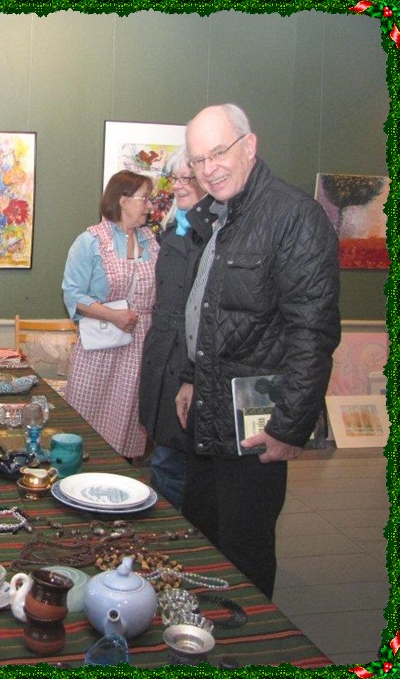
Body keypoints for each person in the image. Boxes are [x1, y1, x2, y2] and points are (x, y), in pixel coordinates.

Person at [174, 104, 340, 599]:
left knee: (243, 554)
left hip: (255, 425)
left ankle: (248, 638)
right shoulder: (219, 216)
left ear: (249, 146)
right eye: (198, 160)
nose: (208, 169)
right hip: (207, 412)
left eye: (218, 152)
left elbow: (313, 331)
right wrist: (189, 376)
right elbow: (207, 309)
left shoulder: (294, 217)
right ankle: (197, 629)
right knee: (201, 538)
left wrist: (290, 426)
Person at [137, 148, 216, 510]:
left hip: (190, 357)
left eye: (188, 178)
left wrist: (192, 373)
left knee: (174, 460)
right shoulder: (170, 232)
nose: (179, 186)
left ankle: (178, 532)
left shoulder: (215, 237)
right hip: (162, 351)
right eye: (175, 178)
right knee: (164, 451)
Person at [62, 170, 159, 460]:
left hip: (140, 348)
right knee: (88, 417)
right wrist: (113, 316)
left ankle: (119, 474)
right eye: (144, 199)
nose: (149, 206)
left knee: (128, 419)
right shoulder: (91, 240)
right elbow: (73, 294)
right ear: (123, 200)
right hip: (101, 347)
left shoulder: (151, 241)